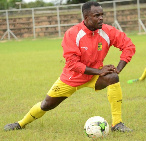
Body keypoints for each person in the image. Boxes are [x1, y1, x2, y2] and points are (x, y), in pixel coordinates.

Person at [4, 1, 135, 132]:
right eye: (96, 15)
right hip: (71, 78)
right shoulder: (73, 33)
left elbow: (129, 46)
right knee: (46, 105)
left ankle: (117, 124)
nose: (101, 18)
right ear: (86, 18)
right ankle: (20, 123)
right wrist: (99, 71)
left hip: (94, 76)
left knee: (113, 77)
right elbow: (73, 64)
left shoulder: (107, 31)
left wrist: (118, 68)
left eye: (102, 14)